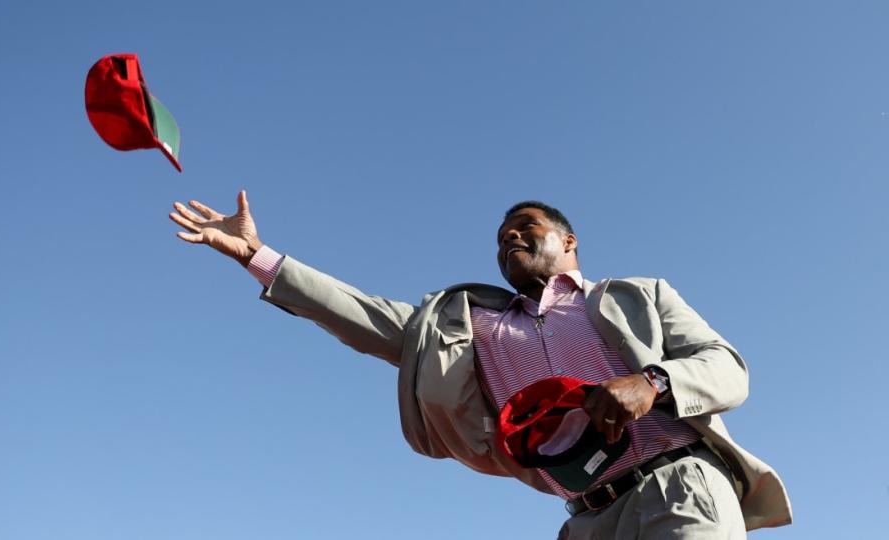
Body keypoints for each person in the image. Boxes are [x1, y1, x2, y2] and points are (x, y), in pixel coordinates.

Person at [169, 191, 792, 539]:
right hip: (587, 518)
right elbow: (357, 313)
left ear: (569, 241)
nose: (510, 239)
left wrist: (651, 381)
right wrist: (256, 256)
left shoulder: (640, 295)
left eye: (526, 227)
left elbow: (727, 368)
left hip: (676, 488)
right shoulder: (464, 326)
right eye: (500, 238)